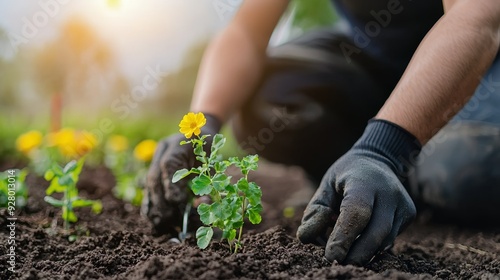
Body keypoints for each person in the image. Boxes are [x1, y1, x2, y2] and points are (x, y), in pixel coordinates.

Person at [143, 0, 500, 266]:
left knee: (469, 170)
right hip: (373, 61)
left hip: (480, 65)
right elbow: (245, 31)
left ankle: (398, 169)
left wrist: (383, 149)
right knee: (271, 102)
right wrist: (204, 121)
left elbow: (478, 18)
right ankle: (364, 181)